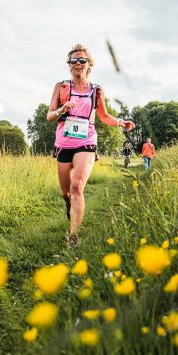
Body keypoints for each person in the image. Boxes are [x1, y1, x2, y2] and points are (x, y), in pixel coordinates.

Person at [47, 43, 135, 247]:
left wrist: (121, 122)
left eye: (82, 60)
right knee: (66, 192)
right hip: (63, 142)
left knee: (77, 187)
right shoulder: (61, 87)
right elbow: (50, 116)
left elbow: (103, 116)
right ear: (69, 65)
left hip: (86, 141)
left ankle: (73, 237)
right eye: (74, 60)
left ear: (89, 64)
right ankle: (69, 205)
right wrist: (62, 109)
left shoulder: (96, 90)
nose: (78, 63)